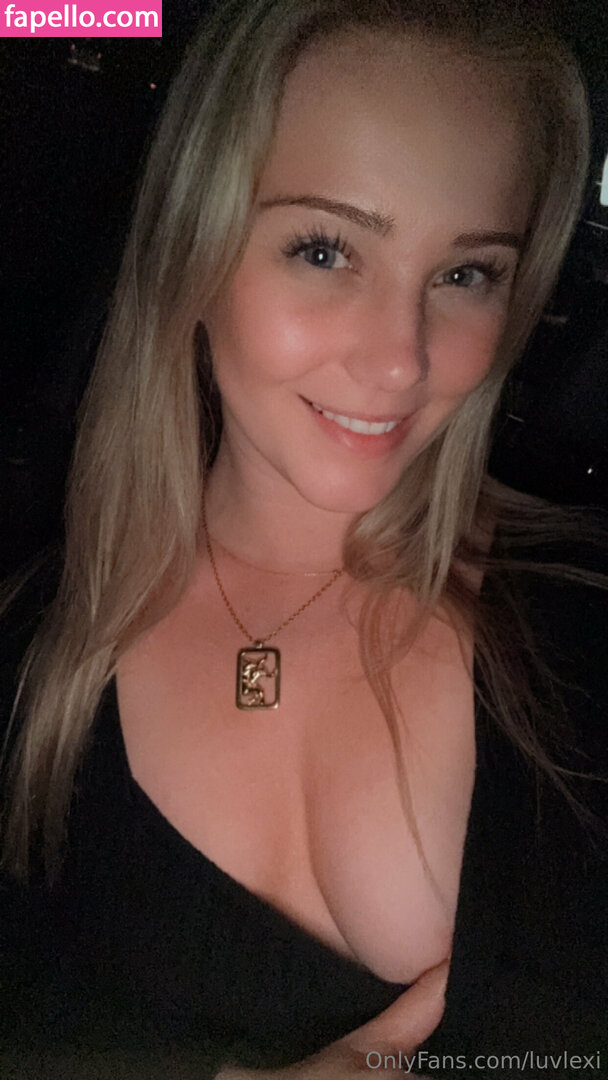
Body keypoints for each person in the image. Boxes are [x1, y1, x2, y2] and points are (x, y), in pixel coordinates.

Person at [1, 1, 606, 1077]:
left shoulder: (583, 614)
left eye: (465, 273)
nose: (398, 360)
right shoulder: (29, 651)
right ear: (193, 248)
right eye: (324, 250)